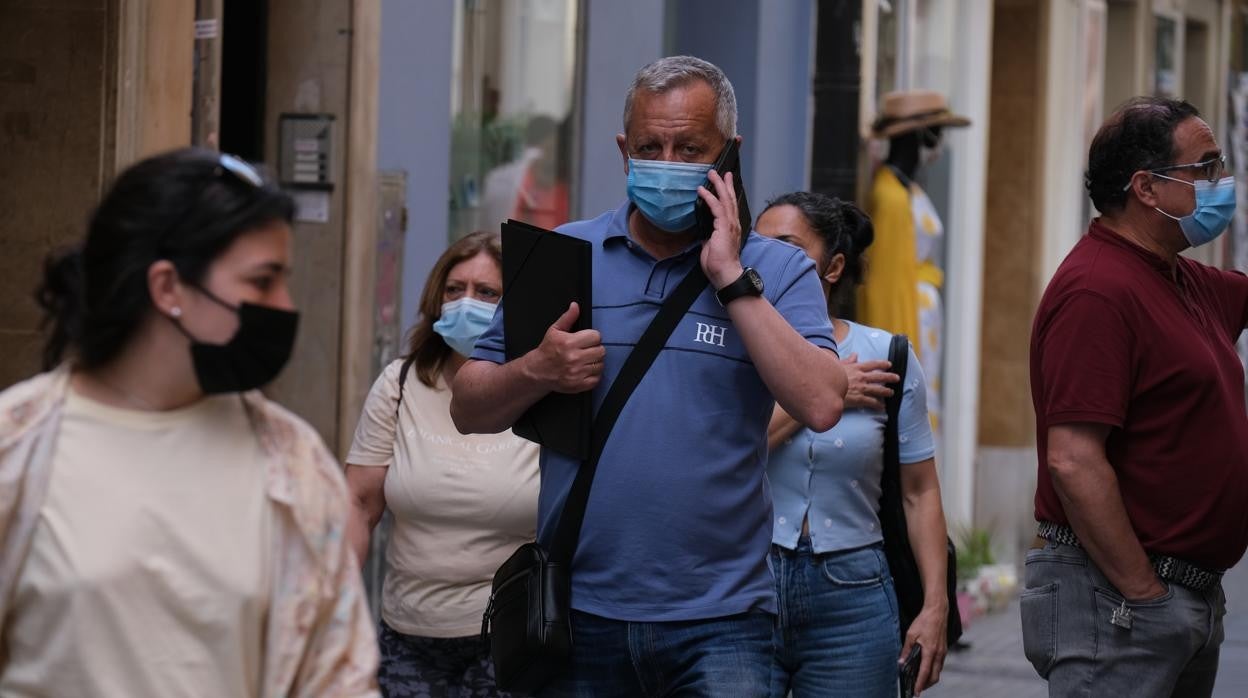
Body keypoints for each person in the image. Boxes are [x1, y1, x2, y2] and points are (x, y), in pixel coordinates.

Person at [450, 55, 848, 696]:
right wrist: (538, 368)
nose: (666, 161)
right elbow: (469, 406)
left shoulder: (775, 269)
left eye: (689, 148)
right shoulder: (562, 256)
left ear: (729, 153)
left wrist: (731, 279)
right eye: (649, 146)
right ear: (622, 150)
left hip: (724, 623)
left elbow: (822, 402)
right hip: (580, 615)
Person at [0, 148, 378, 697]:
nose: (285, 304)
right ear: (168, 288)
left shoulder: (294, 466)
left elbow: (337, 677)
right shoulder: (18, 447)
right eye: (263, 280)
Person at [1025, 96, 1246, 696]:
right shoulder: (1098, 291)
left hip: (1182, 595)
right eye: (1204, 168)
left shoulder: (1178, 276)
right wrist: (1145, 593)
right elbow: (1072, 458)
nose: (1220, 183)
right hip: (1121, 604)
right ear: (1147, 187)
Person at [757, 192, 950, 698]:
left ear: (834, 266)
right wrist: (827, 390)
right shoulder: (731, 348)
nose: (766, 258)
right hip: (747, 585)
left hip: (854, 592)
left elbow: (919, 491)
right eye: (757, 246)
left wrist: (935, 606)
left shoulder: (886, 357)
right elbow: (727, 453)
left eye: (786, 246)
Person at [345, 231, 539, 697]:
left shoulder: (540, 388)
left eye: (486, 292)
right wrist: (334, 605)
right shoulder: (400, 383)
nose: (466, 302)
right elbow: (357, 503)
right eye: (454, 290)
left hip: (508, 638)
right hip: (408, 636)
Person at [859, 90, 970, 439]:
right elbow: (885, 283)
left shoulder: (908, 190)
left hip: (923, 312)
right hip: (909, 314)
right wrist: (894, 350)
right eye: (936, 129)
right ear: (919, 134)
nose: (940, 138)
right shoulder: (890, 197)